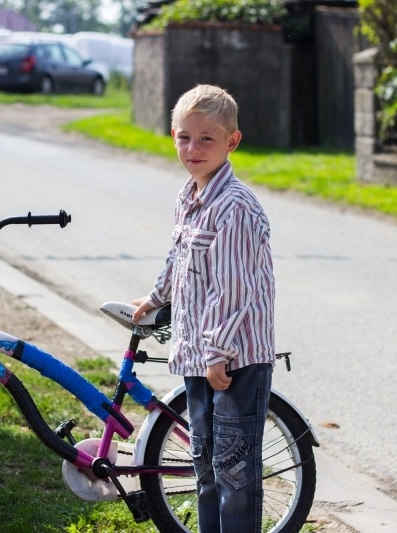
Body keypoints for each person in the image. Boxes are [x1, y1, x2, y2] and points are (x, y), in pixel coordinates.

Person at [131, 84, 275, 532]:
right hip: (199, 356)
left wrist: (218, 353)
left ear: (231, 141)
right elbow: (179, 258)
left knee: (235, 473)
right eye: (184, 137)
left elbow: (234, 289)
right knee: (205, 465)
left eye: (206, 139)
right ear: (173, 135)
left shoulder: (234, 207)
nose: (193, 148)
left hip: (232, 360)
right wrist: (157, 298)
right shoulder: (188, 197)